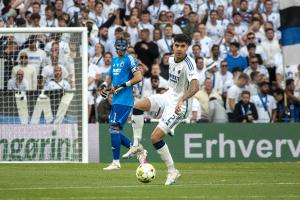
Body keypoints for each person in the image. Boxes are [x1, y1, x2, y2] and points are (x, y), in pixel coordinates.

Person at [123, 34, 199, 185]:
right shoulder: (171, 59)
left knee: (155, 137)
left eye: (183, 46)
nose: (179, 49)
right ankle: (137, 144)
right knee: (137, 105)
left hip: (181, 106)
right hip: (169, 97)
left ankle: (172, 171)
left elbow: (195, 87)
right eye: (177, 45)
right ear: (173, 45)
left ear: (187, 47)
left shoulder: (189, 64)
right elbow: (174, 85)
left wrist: (182, 99)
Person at [100, 38, 143, 170]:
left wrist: (123, 85)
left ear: (126, 48)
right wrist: (104, 85)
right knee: (113, 129)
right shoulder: (114, 60)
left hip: (125, 100)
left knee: (113, 128)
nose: (120, 50)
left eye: (122, 48)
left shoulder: (129, 59)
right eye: (118, 48)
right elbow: (110, 76)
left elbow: (138, 77)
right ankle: (137, 149)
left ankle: (116, 162)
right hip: (117, 99)